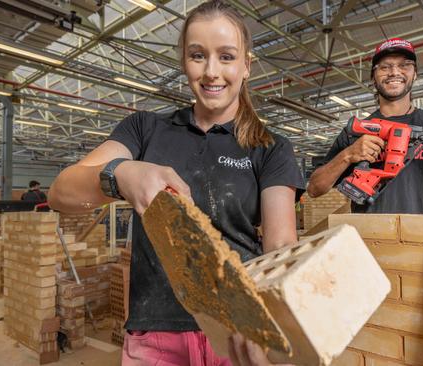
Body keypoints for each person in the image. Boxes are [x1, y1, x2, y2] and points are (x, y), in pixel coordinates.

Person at [48, 1, 304, 365]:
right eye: (198, 56)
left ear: (246, 65)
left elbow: (280, 245)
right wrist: (120, 173)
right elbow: (61, 192)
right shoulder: (144, 129)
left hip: (235, 332)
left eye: (226, 57)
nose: (212, 72)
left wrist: (277, 325)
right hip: (156, 333)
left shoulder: (270, 147)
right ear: (184, 61)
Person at [307, 38, 423, 216]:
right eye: (385, 67)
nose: (394, 72)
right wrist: (348, 155)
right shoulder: (356, 131)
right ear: (373, 76)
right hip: (369, 244)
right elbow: (314, 189)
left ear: (415, 74)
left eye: (404, 65)